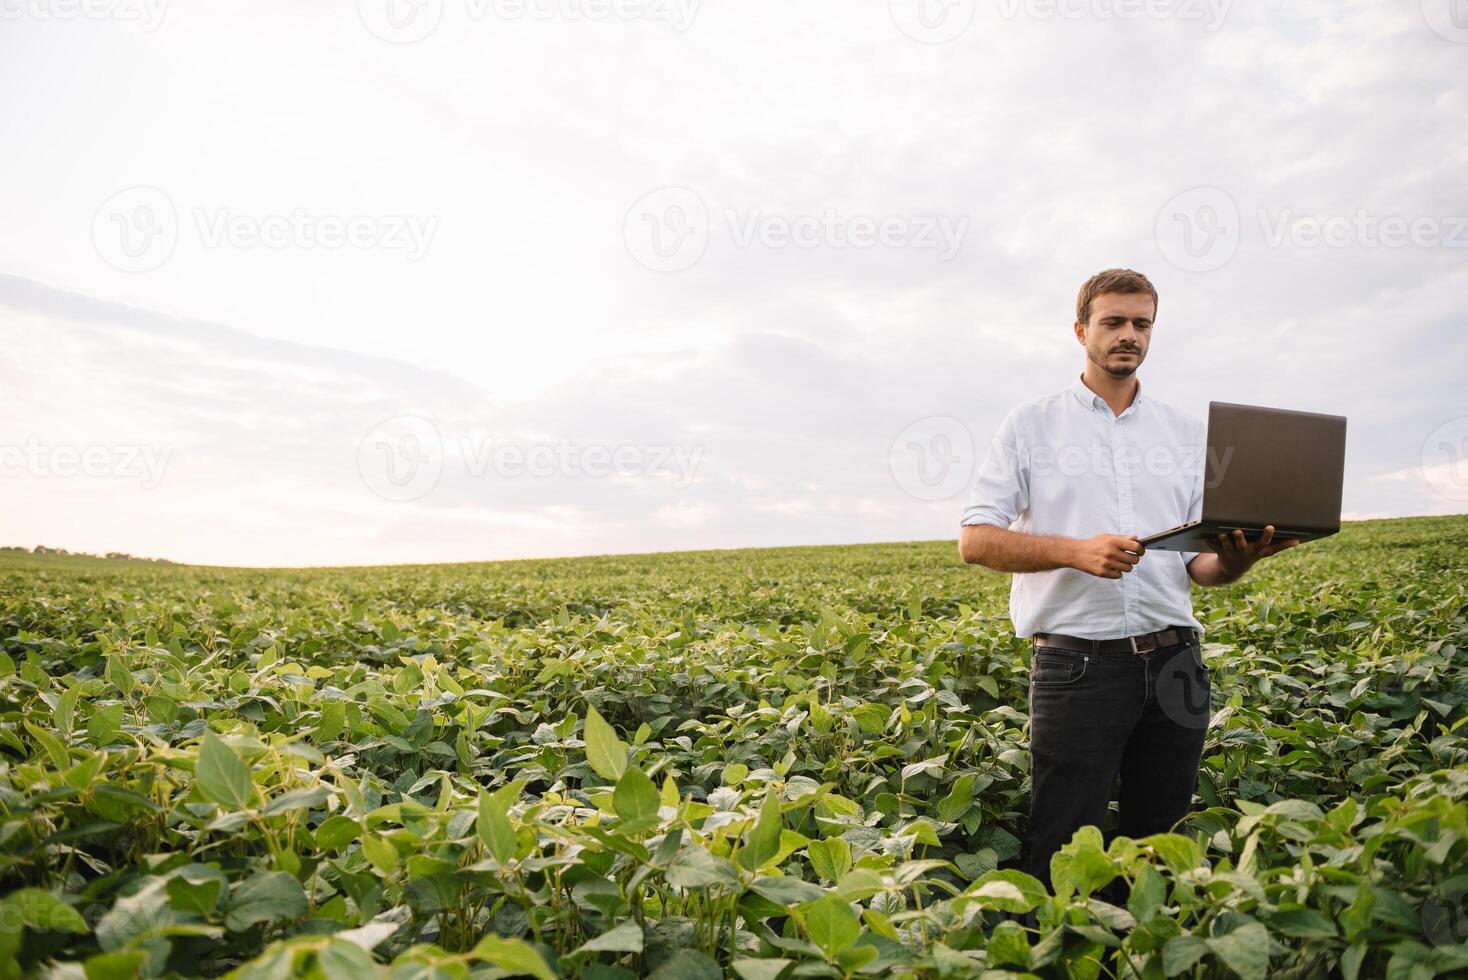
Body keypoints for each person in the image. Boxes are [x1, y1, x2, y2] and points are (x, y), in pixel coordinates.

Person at [957, 268, 1299, 895]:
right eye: (1113, 322)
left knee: (1162, 844)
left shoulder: (1185, 431)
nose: (1128, 335)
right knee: (1064, 846)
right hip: (1077, 668)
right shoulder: (1030, 425)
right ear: (1081, 329)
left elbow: (1201, 567)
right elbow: (976, 539)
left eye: (1141, 323)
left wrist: (1243, 556)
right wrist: (1074, 551)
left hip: (1178, 664)